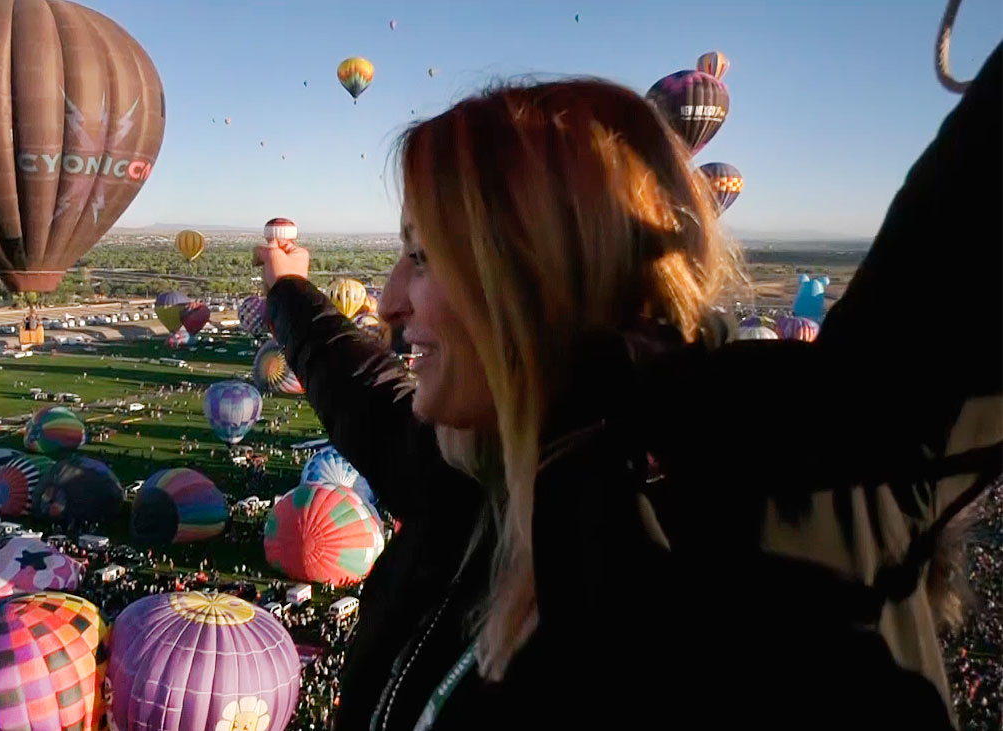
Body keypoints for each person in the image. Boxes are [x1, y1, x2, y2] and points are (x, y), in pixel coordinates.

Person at [256, 50, 1000, 731]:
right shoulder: (477, 470)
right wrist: (289, 294)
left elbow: (959, 238)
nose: (387, 302)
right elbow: (365, 397)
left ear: (536, 272)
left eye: (422, 255)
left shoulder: (778, 473)